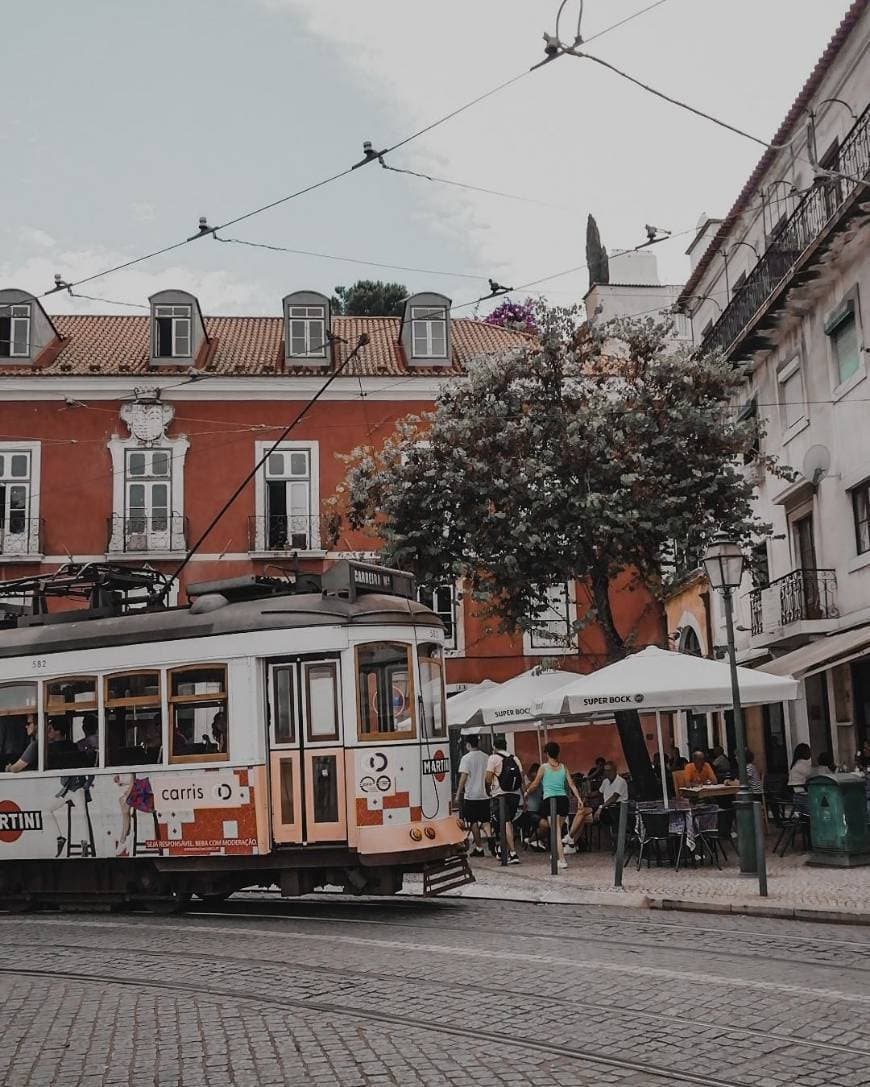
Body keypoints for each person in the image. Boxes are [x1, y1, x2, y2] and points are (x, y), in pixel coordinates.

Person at [523, 742, 582, 870]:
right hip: (563, 800)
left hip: (550, 800)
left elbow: (535, 784)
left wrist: (526, 792)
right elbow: (571, 784)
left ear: (547, 753)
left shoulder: (544, 767)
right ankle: (555, 855)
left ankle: (562, 859)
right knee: (557, 830)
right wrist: (579, 799)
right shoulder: (563, 767)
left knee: (556, 832)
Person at [486, 738, 523, 865]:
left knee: (505, 823)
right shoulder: (515, 758)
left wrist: (488, 790)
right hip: (514, 795)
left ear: (494, 746)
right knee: (506, 822)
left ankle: (513, 853)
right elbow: (521, 779)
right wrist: (524, 797)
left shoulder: (493, 758)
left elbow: (488, 778)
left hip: (499, 795)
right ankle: (502, 849)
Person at [454, 735, 491, 857]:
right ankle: (490, 839)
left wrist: (458, 793)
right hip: (484, 794)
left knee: (473, 821)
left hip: (471, 796)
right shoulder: (486, 757)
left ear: (468, 745)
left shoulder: (466, 758)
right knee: (486, 820)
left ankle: (479, 848)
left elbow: (464, 777)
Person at [595, 760, 628, 835]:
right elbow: (599, 793)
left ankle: (614, 837)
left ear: (614, 770)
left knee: (607, 814)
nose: (607, 773)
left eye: (609, 770)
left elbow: (614, 797)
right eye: (605, 771)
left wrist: (600, 807)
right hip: (607, 809)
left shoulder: (621, 781)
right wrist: (586, 796)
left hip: (619, 810)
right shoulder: (605, 781)